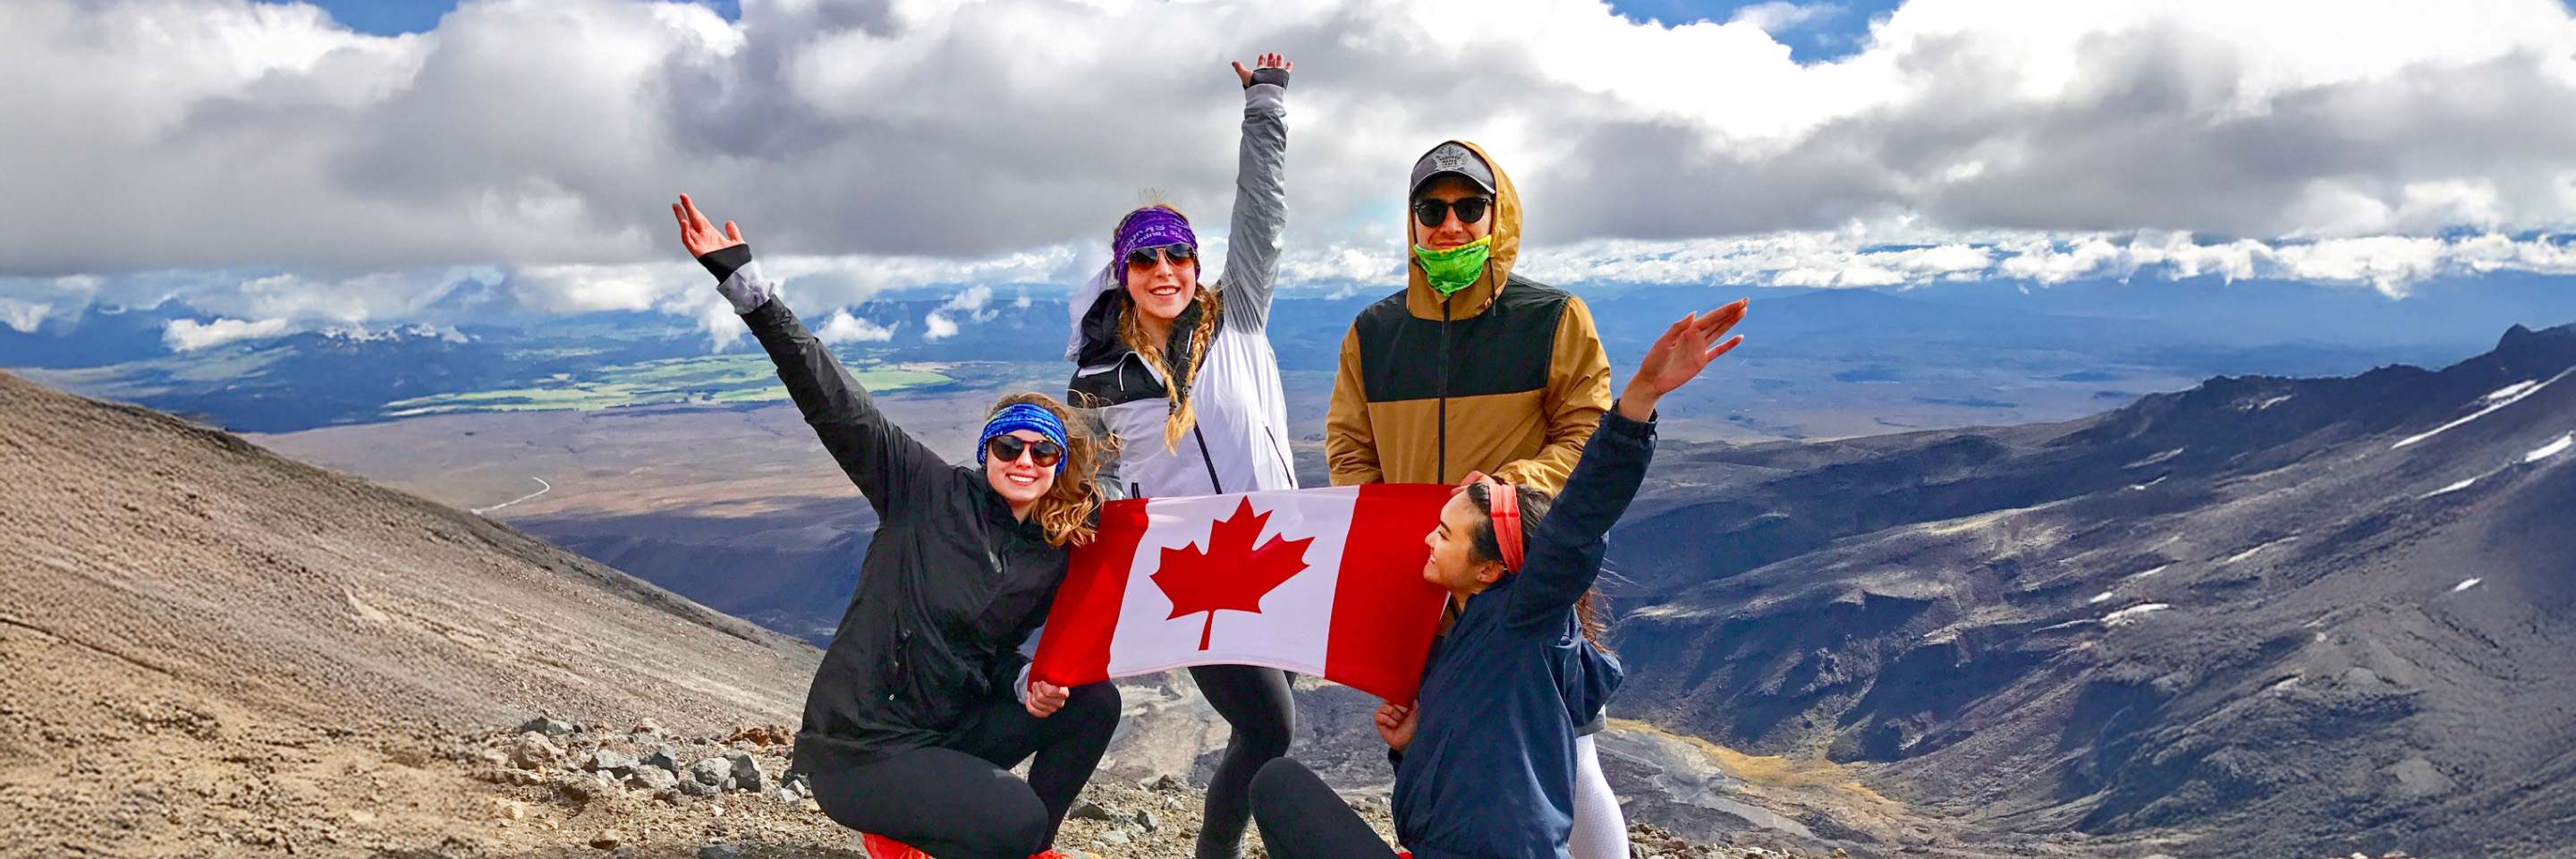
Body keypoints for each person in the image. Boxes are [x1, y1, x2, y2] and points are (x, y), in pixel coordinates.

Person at [673, 194, 1117, 859]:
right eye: (1008, 446)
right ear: (985, 453)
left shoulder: (1051, 549)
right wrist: (748, 288)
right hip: (861, 748)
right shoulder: (922, 491)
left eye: (1043, 451)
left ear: (1060, 464)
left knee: (1093, 702)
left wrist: (1026, 683)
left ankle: (1009, 844)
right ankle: (927, 833)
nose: (1025, 461)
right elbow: (837, 404)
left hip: (945, 735)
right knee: (1015, 821)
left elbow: (991, 656)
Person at [1250, 301, 1747, 859]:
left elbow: (1580, 518)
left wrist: (1638, 402)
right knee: (1277, 785)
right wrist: (1413, 748)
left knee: (1276, 786)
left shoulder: (1523, 623)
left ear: (1490, 568)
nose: (1426, 540)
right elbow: (1459, 791)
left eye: (1444, 532)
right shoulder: (1452, 637)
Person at [1321, 140, 1632, 856]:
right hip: (1424, 571)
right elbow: (1350, 445)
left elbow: (1586, 433)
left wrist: (1498, 496)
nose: (1451, 225)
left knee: (1569, 748)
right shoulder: (1375, 332)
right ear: (1413, 221)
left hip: (1522, 569)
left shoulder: (1551, 318)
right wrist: (1392, 529)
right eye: (1433, 209)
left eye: (1470, 207)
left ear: (1499, 216)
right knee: (1439, 733)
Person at [1063, 54, 1297, 859]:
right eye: (1146, 260)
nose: (1164, 271)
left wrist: (1264, 106)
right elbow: (1087, 489)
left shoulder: (1238, 319)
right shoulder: (1099, 378)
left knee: (1264, 734)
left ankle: (1225, 848)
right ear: (1122, 276)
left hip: (1279, 550)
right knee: (1272, 726)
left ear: (1196, 267)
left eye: (1177, 257)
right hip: (1193, 573)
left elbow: (1260, 215)